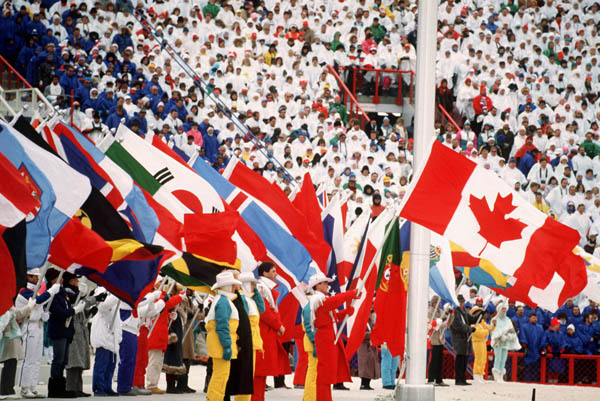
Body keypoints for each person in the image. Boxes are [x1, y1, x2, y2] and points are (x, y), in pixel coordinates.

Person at [311, 271, 360, 401]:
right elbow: (333, 303)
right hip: (324, 337)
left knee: (328, 372)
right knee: (324, 372)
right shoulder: (318, 299)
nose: (327, 285)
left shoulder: (323, 299)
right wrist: (351, 294)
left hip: (329, 335)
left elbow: (333, 317)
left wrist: (345, 313)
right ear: (317, 286)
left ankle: (326, 398)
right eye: (325, 283)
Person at [16, 267, 60, 398]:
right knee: (28, 358)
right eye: (35, 276)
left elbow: (41, 303)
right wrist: (51, 291)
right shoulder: (24, 292)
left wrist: (43, 314)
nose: (37, 279)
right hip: (29, 326)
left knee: (36, 359)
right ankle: (24, 387)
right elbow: (37, 301)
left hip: (38, 325)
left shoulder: (34, 291)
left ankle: (32, 386)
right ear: (28, 277)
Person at [252, 262, 289, 401]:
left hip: (267, 333)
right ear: (265, 273)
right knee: (259, 372)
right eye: (273, 271)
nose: (276, 274)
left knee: (262, 372)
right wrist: (278, 325)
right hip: (263, 333)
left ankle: (259, 398)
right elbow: (265, 312)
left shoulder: (265, 288)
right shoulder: (261, 289)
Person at [46, 269, 84, 398]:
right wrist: (74, 311)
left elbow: (75, 299)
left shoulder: (61, 292)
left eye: (61, 277)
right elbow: (59, 312)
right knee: (58, 360)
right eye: (58, 277)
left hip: (66, 331)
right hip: (59, 330)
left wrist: (81, 292)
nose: (61, 279)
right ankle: (55, 389)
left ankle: (61, 387)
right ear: (52, 280)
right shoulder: (52, 294)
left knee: (63, 360)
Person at [206, 271, 242, 401]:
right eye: (232, 285)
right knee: (220, 378)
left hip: (218, 344)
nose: (234, 288)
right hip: (221, 345)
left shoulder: (221, 300)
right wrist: (227, 345)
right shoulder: (223, 302)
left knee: (218, 376)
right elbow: (222, 326)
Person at [65, 278, 101, 397]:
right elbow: (78, 302)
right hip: (73, 328)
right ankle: (71, 388)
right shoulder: (67, 292)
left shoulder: (76, 293)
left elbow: (82, 310)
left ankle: (78, 388)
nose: (77, 282)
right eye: (75, 280)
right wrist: (94, 298)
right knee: (73, 360)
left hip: (81, 328)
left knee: (79, 361)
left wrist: (90, 312)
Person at [146, 282, 183, 393]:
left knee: (157, 361)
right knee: (154, 362)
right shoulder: (157, 297)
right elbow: (168, 303)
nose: (164, 284)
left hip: (160, 335)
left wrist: (169, 316)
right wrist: (180, 295)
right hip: (156, 335)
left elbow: (163, 310)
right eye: (161, 282)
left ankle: (153, 384)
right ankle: (151, 384)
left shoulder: (160, 296)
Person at [0, 287, 36, 398]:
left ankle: (8, 389)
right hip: (8, 336)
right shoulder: (4, 303)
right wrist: (29, 307)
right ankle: (6, 390)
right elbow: (16, 314)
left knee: (11, 362)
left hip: (11, 336)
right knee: (10, 363)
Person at [237, 273, 266, 401]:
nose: (254, 287)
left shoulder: (249, 300)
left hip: (252, 342)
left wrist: (257, 294)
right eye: (252, 284)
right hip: (246, 342)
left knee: (248, 377)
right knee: (244, 378)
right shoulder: (243, 300)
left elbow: (261, 309)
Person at [90, 288, 122, 396]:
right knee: (101, 365)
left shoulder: (115, 298)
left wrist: (119, 336)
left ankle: (107, 386)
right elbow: (103, 306)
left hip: (112, 339)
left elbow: (117, 321)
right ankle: (98, 388)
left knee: (110, 365)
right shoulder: (101, 291)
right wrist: (117, 294)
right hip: (103, 336)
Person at [490, 302, 520, 383]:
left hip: (505, 342)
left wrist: (508, 337)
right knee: (498, 358)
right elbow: (492, 331)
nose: (504, 310)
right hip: (498, 342)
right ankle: (496, 375)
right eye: (502, 309)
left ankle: (501, 376)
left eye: (505, 309)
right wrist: (499, 336)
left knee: (503, 359)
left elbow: (512, 331)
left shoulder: (508, 320)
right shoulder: (494, 320)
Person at [427, 298, 454, 387]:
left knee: (439, 361)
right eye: (437, 302)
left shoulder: (440, 311)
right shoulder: (430, 311)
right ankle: (431, 379)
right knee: (434, 360)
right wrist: (443, 322)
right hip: (433, 338)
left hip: (441, 338)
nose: (439, 304)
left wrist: (450, 314)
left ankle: (439, 379)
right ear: (434, 303)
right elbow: (433, 324)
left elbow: (447, 322)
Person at [450, 294, 474, 385]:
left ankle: (462, 378)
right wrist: (470, 329)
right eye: (460, 302)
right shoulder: (455, 312)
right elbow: (458, 326)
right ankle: (458, 379)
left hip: (465, 339)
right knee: (460, 359)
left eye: (462, 302)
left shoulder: (463, 312)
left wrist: (480, 314)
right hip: (458, 339)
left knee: (464, 360)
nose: (461, 304)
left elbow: (471, 319)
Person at [519, 312, 546, 382]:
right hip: (528, 352)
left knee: (536, 370)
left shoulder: (540, 327)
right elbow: (523, 337)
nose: (535, 319)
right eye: (533, 318)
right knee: (527, 369)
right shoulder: (524, 327)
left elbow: (543, 338)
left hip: (537, 352)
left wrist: (542, 347)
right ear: (529, 318)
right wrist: (525, 347)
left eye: (536, 318)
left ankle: (534, 382)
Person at [357, 312, 380, 390]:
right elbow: (360, 334)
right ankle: (363, 384)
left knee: (370, 367)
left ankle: (367, 384)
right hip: (364, 347)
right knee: (365, 367)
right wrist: (372, 333)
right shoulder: (363, 322)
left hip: (371, 346)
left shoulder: (370, 323)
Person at [470, 307, 493, 383]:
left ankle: (481, 375)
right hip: (477, 342)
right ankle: (476, 375)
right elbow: (479, 333)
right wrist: (487, 331)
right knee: (478, 358)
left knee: (483, 359)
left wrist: (494, 325)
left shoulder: (481, 323)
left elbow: (490, 328)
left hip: (483, 342)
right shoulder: (473, 324)